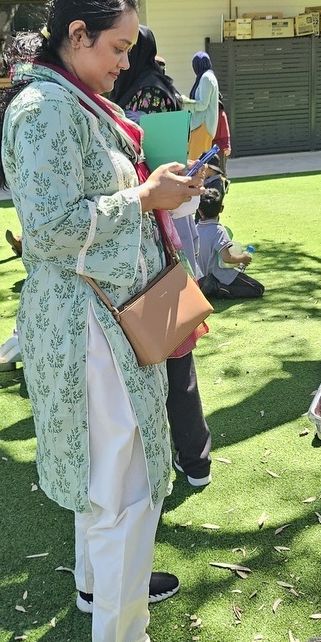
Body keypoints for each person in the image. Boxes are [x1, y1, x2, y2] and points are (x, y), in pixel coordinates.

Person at [0, 0, 203, 642]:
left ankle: (96, 586)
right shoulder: (48, 108)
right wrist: (146, 197)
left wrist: (153, 195)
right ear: (75, 36)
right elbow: (47, 229)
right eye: (115, 47)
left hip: (106, 316)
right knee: (124, 484)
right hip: (91, 326)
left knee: (103, 474)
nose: (124, 60)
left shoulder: (67, 99)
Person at [111, 26, 212, 487]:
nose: (121, 59)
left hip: (147, 240)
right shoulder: (160, 89)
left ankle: (187, 461)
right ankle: (195, 461)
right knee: (175, 357)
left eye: (126, 48)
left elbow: (146, 169)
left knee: (168, 357)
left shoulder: (143, 97)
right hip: (163, 234)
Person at [197, 188, 264, 299]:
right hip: (218, 275)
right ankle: (218, 288)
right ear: (221, 208)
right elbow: (227, 258)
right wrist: (242, 258)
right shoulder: (219, 230)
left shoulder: (195, 229)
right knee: (257, 288)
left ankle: (210, 287)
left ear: (199, 211)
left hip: (200, 276)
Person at [186, 51, 219, 161]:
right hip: (202, 126)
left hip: (202, 125)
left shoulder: (206, 78)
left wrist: (185, 104)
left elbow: (202, 105)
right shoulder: (208, 76)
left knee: (195, 164)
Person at [213, 98, 231, 177]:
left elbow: (225, 131)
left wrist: (226, 146)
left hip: (219, 147)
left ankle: (223, 188)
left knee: (221, 171)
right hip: (209, 145)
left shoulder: (221, 114)